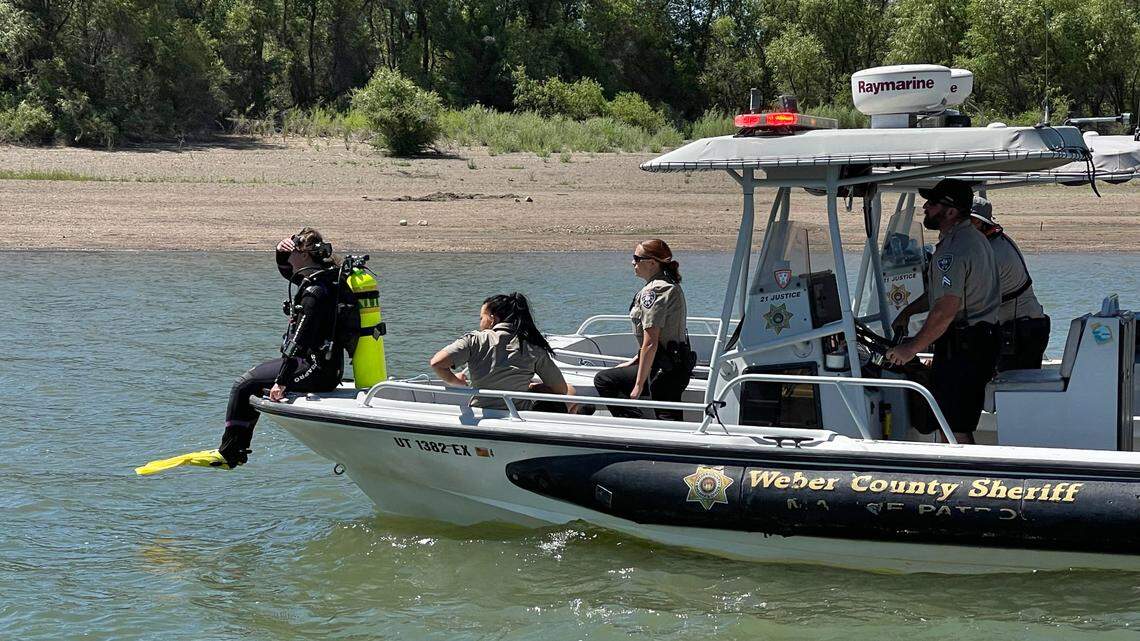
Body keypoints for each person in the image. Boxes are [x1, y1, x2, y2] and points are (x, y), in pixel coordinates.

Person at [217, 228, 346, 467]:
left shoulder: (314, 291)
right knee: (249, 383)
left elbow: (300, 341)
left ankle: (230, 453)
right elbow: (288, 270)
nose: (288, 256)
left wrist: (282, 381)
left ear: (305, 255)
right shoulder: (320, 278)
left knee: (244, 385)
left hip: (316, 368)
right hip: (325, 365)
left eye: (292, 250)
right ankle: (236, 448)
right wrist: (279, 249)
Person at [885, 180, 1001, 444]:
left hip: (966, 345)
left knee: (953, 423)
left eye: (933, 203)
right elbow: (943, 294)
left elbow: (945, 310)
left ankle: (962, 482)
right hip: (978, 341)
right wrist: (907, 312)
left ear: (950, 212)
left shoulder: (954, 250)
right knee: (953, 419)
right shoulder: (973, 240)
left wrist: (910, 348)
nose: (925, 207)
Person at [593, 239, 696, 421]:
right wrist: (634, 361)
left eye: (636, 258)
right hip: (673, 365)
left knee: (604, 380)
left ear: (652, 262)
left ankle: (634, 425)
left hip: (664, 369)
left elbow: (651, 341)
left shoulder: (655, 291)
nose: (633, 262)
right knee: (670, 417)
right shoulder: (667, 285)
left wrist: (639, 385)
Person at [430, 292, 573, 412]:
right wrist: (532, 387)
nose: (480, 322)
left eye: (481, 318)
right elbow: (560, 389)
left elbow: (437, 363)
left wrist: (456, 381)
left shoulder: (474, 340)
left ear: (492, 319)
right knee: (571, 391)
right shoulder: (532, 347)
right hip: (518, 414)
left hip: (480, 411)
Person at [968, 197, 1050, 371]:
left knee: (1011, 387)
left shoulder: (991, 253)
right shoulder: (999, 241)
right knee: (1019, 388)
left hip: (1020, 330)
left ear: (979, 223)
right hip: (1029, 325)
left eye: (968, 220)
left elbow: (971, 299)